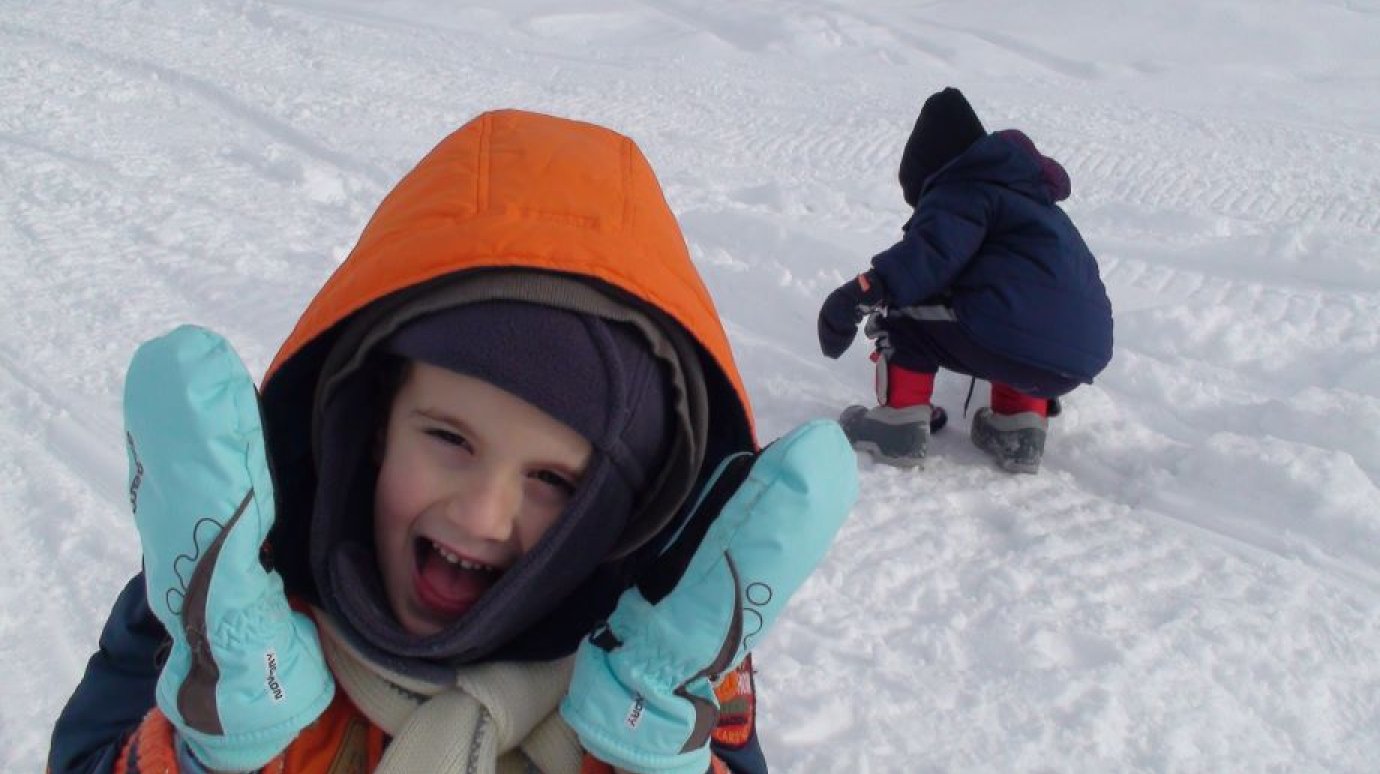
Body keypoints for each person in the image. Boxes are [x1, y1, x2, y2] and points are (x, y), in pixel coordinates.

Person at [49, 109, 859, 774]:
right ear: (371, 428)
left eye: (553, 479)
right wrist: (203, 746)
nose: (480, 513)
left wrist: (646, 753)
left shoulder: (670, 655)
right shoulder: (215, 598)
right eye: (449, 438)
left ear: (620, 516)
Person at [817, 87, 1113, 473]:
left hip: (1020, 336)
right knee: (1001, 314)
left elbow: (927, 258)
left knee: (901, 311)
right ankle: (1018, 428)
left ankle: (899, 425)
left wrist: (857, 293)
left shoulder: (964, 187)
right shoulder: (1041, 208)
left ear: (934, 171)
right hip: (1080, 356)